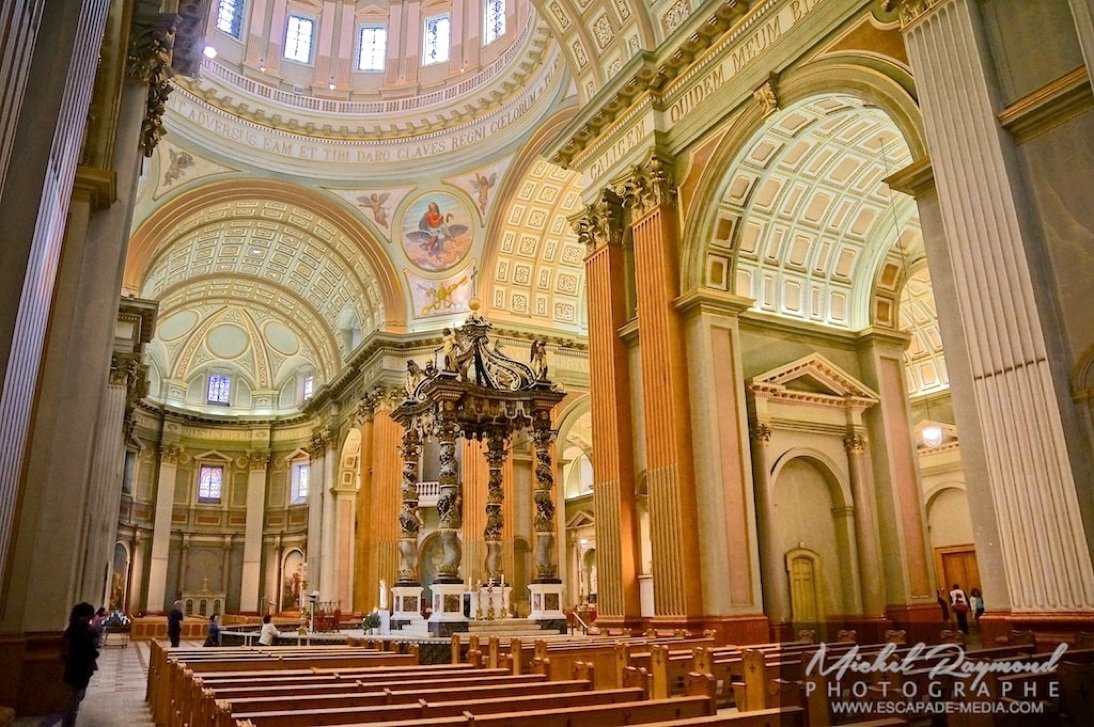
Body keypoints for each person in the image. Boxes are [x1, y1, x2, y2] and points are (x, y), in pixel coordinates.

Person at [42, 602, 99, 727]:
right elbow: (89, 650)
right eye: (89, 617)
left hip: (76, 669)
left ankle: (56, 723)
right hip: (79, 670)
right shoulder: (81, 632)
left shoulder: (73, 630)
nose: (90, 619)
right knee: (72, 702)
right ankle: (58, 724)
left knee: (73, 699)